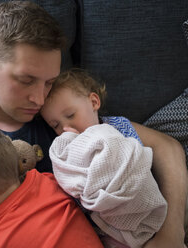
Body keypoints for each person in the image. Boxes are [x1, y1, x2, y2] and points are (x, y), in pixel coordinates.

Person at [0, 1, 188, 248]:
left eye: (49, 82)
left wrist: (171, 231)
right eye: (26, 80)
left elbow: (166, 147)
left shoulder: (62, 121)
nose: (39, 99)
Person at [41, 69, 168, 248]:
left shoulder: (117, 126)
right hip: (102, 228)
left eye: (70, 115)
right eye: (55, 125)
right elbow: (72, 185)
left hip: (138, 204)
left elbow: (135, 158)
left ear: (94, 102)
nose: (65, 129)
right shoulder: (68, 152)